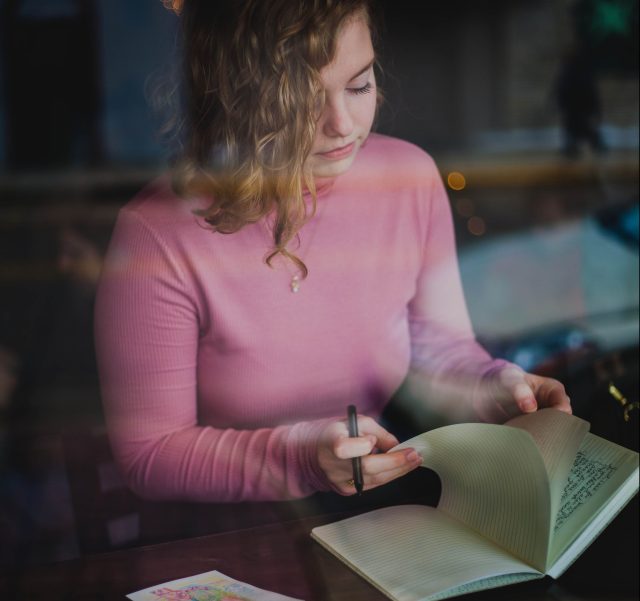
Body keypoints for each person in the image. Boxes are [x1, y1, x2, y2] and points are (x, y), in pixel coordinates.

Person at [94, 0, 571, 505]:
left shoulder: (408, 178)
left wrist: (495, 389)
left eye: (359, 85)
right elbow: (149, 454)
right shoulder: (156, 233)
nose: (342, 123)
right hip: (229, 540)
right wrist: (299, 459)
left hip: (370, 517)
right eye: (301, 99)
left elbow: (438, 348)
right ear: (237, 97)